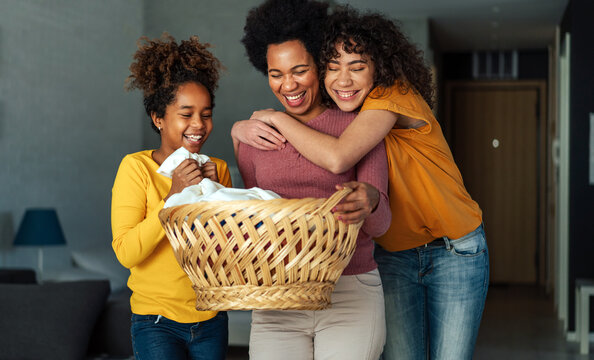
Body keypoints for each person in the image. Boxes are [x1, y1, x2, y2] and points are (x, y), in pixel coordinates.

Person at [233, 6, 489, 360]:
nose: (343, 79)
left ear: (378, 69)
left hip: (453, 247)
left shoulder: (390, 97)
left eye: (357, 67)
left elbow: (339, 157)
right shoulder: (351, 113)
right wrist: (239, 129)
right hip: (395, 253)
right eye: (334, 67)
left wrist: (275, 117)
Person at [236, 0, 391, 359]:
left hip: (350, 294)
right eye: (276, 74)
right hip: (277, 300)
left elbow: (382, 225)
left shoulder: (358, 127)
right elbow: (251, 218)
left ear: (320, 66)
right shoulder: (255, 135)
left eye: (300, 70)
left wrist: (370, 199)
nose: (288, 84)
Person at [111, 34, 232, 360]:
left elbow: (227, 252)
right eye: (186, 113)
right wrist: (173, 197)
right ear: (158, 118)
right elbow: (126, 252)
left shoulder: (217, 168)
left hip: (211, 318)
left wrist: (217, 194)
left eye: (206, 114)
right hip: (156, 322)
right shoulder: (136, 168)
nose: (199, 125)